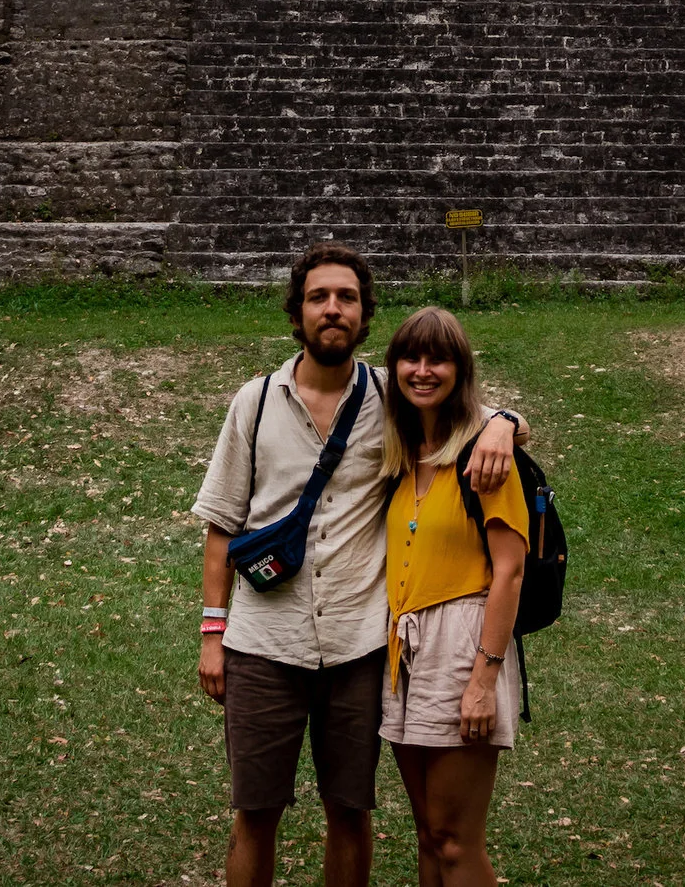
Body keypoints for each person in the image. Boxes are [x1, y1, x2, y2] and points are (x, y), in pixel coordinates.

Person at [192, 244, 525, 887]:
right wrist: (212, 632)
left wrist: (506, 423)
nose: (333, 309)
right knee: (254, 815)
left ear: (364, 314)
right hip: (264, 644)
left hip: (359, 649)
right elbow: (220, 527)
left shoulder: (390, 397)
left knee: (350, 812)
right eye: (319, 297)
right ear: (298, 312)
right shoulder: (254, 403)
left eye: (346, 298)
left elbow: (465, 412)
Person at [380, 305, 529, 887]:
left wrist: (483, 680)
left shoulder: (487, 458)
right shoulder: (400, 452)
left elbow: (510, 572)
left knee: (455, 838)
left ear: (460, 370)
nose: (422, 370)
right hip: (404, 648)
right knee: (426, 835)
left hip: (464, 644)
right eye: (410, 358)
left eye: (438, 359)